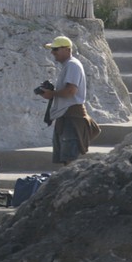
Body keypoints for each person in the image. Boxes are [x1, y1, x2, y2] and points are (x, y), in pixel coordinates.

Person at [37, 35, 89, 165]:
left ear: (67, 49)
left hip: (71, 116)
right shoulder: (69, 65)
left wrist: (51, 94)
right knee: (66, 157)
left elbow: (71, 91)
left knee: (70, 159)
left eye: (56, 49)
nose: (52, 53)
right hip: (66, 116)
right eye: (52, 49)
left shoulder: (72, 65)